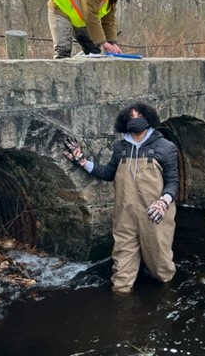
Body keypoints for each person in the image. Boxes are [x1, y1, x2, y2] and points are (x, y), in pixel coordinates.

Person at [63, 102, 178, 293]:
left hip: (155, 215)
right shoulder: (120, 148)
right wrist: (82, 161)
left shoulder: (165, 147)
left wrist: (163, 201)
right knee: (121, 278)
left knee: (160, 267)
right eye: (131, 118)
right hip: (125, 215)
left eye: (139, 116)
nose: (135, 120)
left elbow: (173, 182)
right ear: (124, 122)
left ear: (148, 118)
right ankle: (123, 306)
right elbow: (109, 173)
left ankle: (166, 298)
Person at [48, 0, 135, 59]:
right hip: (61, 9)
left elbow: (109, 20)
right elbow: (90, 15)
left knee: (94, 51)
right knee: (63, 52)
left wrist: (112, 43)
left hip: (80, 18)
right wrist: (103, 42)